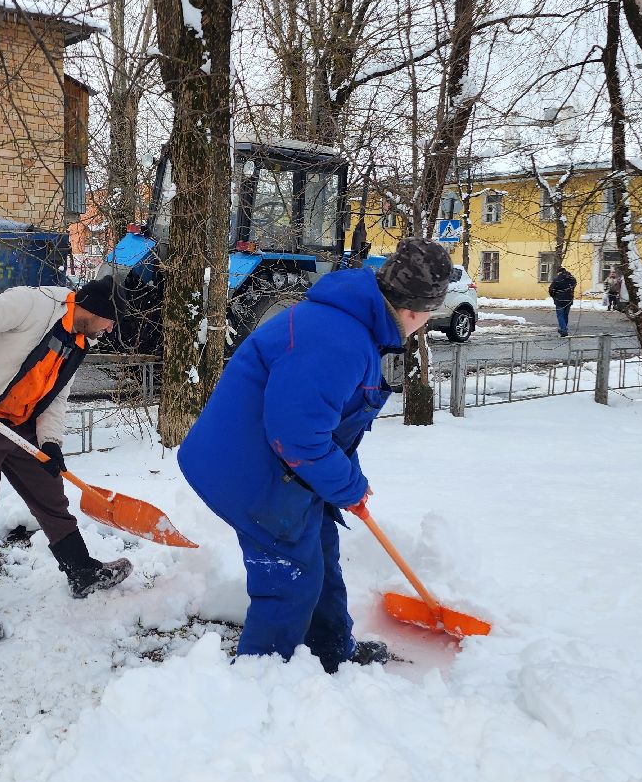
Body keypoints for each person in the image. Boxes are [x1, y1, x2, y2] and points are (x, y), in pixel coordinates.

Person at [177, 237, 455, 672]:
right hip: (250, 471)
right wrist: (345, 486)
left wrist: (349, 483)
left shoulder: (351, 326)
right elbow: (298, 436)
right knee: (290, 581)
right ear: (418, 311)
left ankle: (330, 651)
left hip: (274, 464)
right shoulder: (339, 340)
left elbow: (331, 429)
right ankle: (260, 679)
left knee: (321, 553)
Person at [0, 278, 132, 642]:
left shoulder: (79, 341)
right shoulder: (30, 306)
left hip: (23, 425)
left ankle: (81, 571)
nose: (110, 329)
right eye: (110, 322)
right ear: (94, 310)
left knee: (52, 498)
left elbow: (56, 394)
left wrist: (50, 442)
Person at [548, 264, 577, 337]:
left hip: (559, 300)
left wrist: (554, 296)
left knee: (560, 315)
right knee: (565, 315)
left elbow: (551, 289)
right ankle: (564, 328)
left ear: (559, 272)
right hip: (569, 299)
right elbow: (574, 286)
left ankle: (564, 330)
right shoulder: (572, 279)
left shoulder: (557, 279)